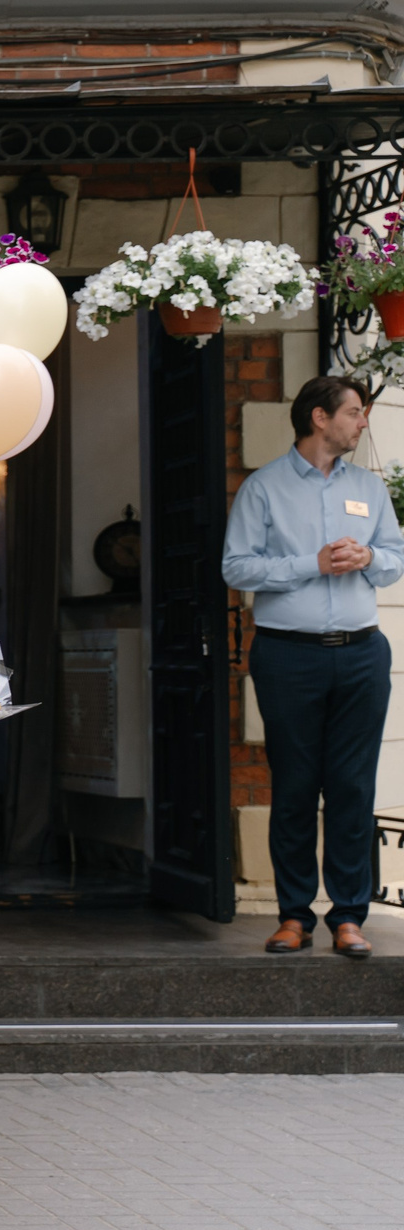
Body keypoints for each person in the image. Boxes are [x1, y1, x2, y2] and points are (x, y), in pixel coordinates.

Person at [224, 372, 403, 962]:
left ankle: (349, 916)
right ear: (320, 418)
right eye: (354, 411)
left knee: (352, 787)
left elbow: (394, 559)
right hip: (288, 655)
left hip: (361, 653)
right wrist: (311, 564)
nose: (362, 421)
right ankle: (294, 916)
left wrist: (370, 555)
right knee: (296, 787)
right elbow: (237, 568)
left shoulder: (370, 489)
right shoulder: (265, 488)